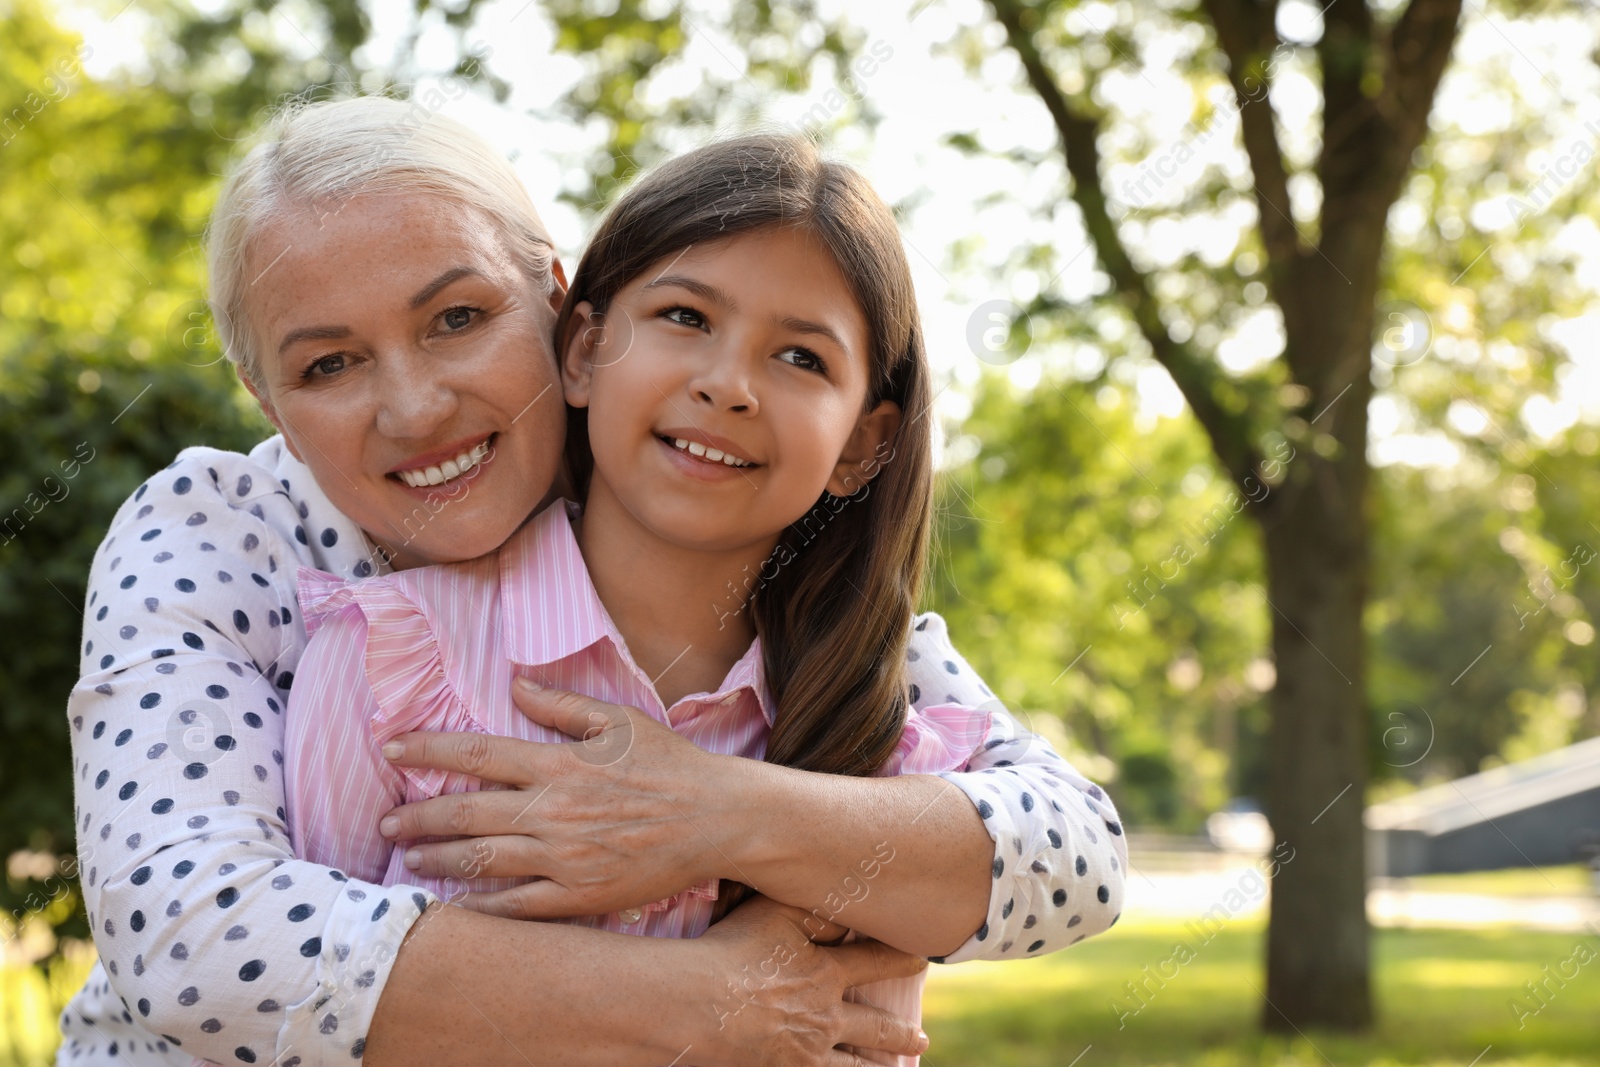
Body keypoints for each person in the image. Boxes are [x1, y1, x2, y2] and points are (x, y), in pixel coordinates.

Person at [60, 98, 1127, 1067]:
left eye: (458, 318)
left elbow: (1070, 849)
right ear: (262, 396)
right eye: (327, 364)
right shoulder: (226, 534)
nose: (417, 405)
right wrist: (713, 1000)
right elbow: (191, 930)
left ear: (558, 310)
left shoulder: (705, 508)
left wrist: (714, 810)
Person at [286, 133, 1038, 1066]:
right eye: (686, 315)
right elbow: (296, 1013)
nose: (726, 385)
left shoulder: (886, 757)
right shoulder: (389, 660)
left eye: (801, 358)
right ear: (586, 350)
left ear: (862, 445)